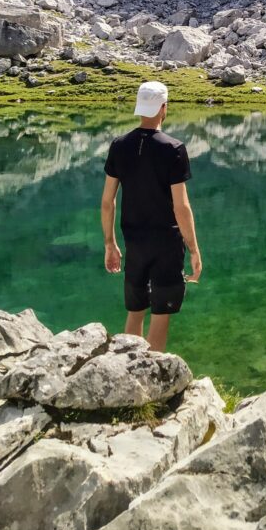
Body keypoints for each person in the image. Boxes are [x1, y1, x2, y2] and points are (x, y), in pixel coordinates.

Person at [100, 80, 202, 352]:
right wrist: (193, 248)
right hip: (167, 244)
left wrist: (110, 244)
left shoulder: (119, 145)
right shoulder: (173, 149)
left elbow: (108, 202)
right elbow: (181, 207)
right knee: (161, 315)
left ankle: (126, 368)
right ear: (164, 108)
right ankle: (153, 379)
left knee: (135, 310)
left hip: (134, 242)